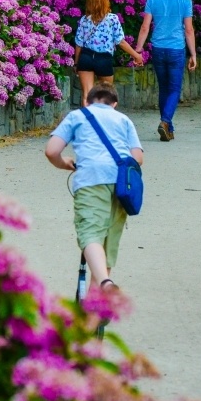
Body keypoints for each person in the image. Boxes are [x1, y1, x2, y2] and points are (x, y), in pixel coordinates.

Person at [45, 82, 144, 293]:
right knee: (107, 244)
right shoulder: (124, 120)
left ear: (86, 101)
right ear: (114, 104)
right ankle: (96, 307)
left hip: (90, 180)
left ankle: (106, 284)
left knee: (91, 234)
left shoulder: (77, 116)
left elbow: (52, 151)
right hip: (120, 185)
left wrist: (65, 164)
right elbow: (137, 158)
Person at [135, 0, 198, 142]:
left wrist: (138, 49)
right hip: (176, 49)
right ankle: (165, 121)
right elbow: (189, 29)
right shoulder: (185, 1)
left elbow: (145, 27)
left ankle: (168, 127)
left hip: (158, 48)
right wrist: (193, 54)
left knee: (163, 88)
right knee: (175, 89)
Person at [74, 0, 144, 106]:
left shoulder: (84, 20)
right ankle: (105, 121)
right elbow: (120, 42)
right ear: (104, 1)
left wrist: (76, 63)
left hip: (86, 57)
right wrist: (136, 55)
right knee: (107, 95)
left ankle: (88, 122)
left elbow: (79, 44)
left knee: (87, 94)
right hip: (104, 59)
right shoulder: (112, 19)